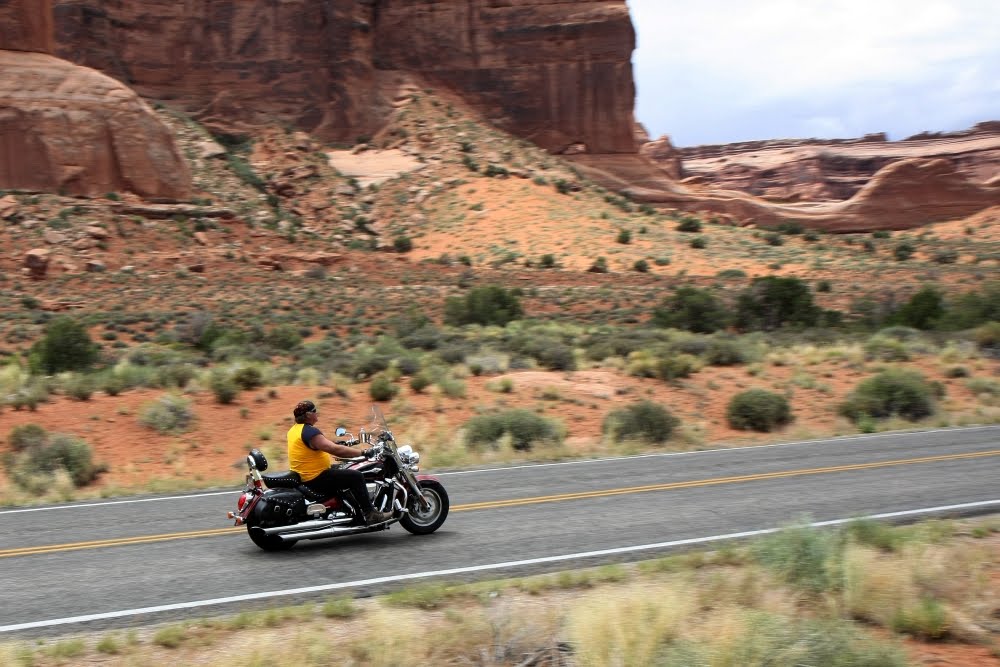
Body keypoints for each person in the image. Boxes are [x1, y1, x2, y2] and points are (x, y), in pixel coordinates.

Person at [286, 400, 392, 525]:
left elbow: (320, 446)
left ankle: (353, 510)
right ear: (308, 415)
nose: (317, 414)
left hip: (305, 475)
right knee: (356, 476)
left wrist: (337, 444)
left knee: (345, 468)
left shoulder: (294, 430)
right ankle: (370, 514)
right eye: (315, 411)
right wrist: (363, 453)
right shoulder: (309, 431)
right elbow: (333, 450)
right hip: (315, 477)